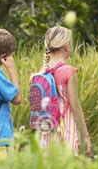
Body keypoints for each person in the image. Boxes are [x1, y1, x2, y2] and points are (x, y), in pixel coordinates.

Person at [38, 26, 92, 155]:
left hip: (47, 128)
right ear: (67, 46)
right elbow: (75, 105)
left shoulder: (42, 72)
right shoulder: (69, 71)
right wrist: (85, 136)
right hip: (66, 127)